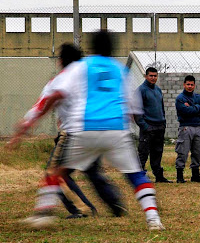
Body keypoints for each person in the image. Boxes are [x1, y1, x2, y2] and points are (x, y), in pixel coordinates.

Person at [9, 31, 165, 230]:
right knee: (136, 175)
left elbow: (56, 94)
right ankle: (153, 219)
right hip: (116, 129)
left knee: (58, 171)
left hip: (85, 129)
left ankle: (42, 214)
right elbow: (132, 108)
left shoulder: (80, 67)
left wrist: (30, 123)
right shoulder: (120, 70)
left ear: (92, 47)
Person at [9, 44, 125, 223]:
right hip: (96, 130)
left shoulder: (62, 78)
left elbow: (45, 102)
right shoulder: (90, 74)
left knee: (54, 172)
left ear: (60, 61)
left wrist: (24, 126)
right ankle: (116, 205)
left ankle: (62, 210)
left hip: (74, 133)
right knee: (91, 170)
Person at [134, 67, 172, 183]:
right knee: (143, 153)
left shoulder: (158, 90)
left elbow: (161, 108)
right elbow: (136, 111)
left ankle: (159, 176)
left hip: (159, 127)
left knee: (157, 153)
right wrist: (145, 126)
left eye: (155, 76)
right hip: (148, 127)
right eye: (151, 75)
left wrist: (163, 122)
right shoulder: (141, 90)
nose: (153, 78)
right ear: (146, 76)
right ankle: (139, 177)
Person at [175, 75, 200, 183]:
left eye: (192, 84)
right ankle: (180, 176)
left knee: (198, 151)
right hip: (185, 127)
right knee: (183, 152)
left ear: (194, 85)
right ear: (184, 85)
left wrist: (192, 107)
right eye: (188, 84)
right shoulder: (180, 98)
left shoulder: (198, 97)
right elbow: (185, 111)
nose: (190, 86)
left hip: (197, 127)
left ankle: (195, 175)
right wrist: (196, 107)